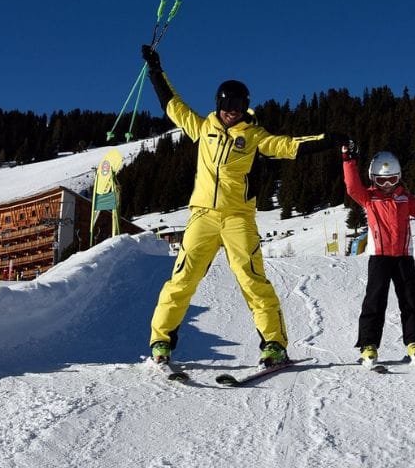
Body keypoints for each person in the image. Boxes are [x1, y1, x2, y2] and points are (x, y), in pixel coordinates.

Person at [141, 44, 346, 367]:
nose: (232, 110)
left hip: (238, 217)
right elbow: (172, 104)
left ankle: (274, 344)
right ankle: (161, 341)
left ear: (246, 107)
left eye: (238, 105)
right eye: (227, 104)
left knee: (252, 279)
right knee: (182, 279)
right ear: (219, 104)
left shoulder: (252, 136)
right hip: (202, 217)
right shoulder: (203, 127)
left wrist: (326, 140)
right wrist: (155, 69)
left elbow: (287, 146)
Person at [340, 143, 415, 367]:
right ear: (373, 179)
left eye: (391, 180)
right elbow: (351, 187)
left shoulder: (405, 198)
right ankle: (369, 345)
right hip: (379, 258)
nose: (387, 185)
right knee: (375, 302)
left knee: (411, 302)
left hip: (403, 258)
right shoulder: (369, 198)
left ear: (398, 178)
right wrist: (348, 160)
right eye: (381, 180)